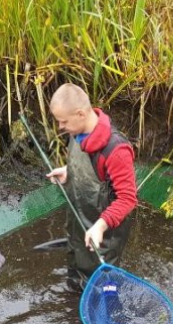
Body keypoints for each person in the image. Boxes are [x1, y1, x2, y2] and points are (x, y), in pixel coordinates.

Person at [45, 83, 138, 291]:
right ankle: (75, 297)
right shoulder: (76, 131)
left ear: (80, 114)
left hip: (104, 233)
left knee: (102, 284)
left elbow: (128, 199)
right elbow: (90, 169)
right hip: (79, 222)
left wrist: (101, 225)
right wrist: (69, 172)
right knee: (76, 264)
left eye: (63, 122)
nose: (60, 127)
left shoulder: (117, 150)